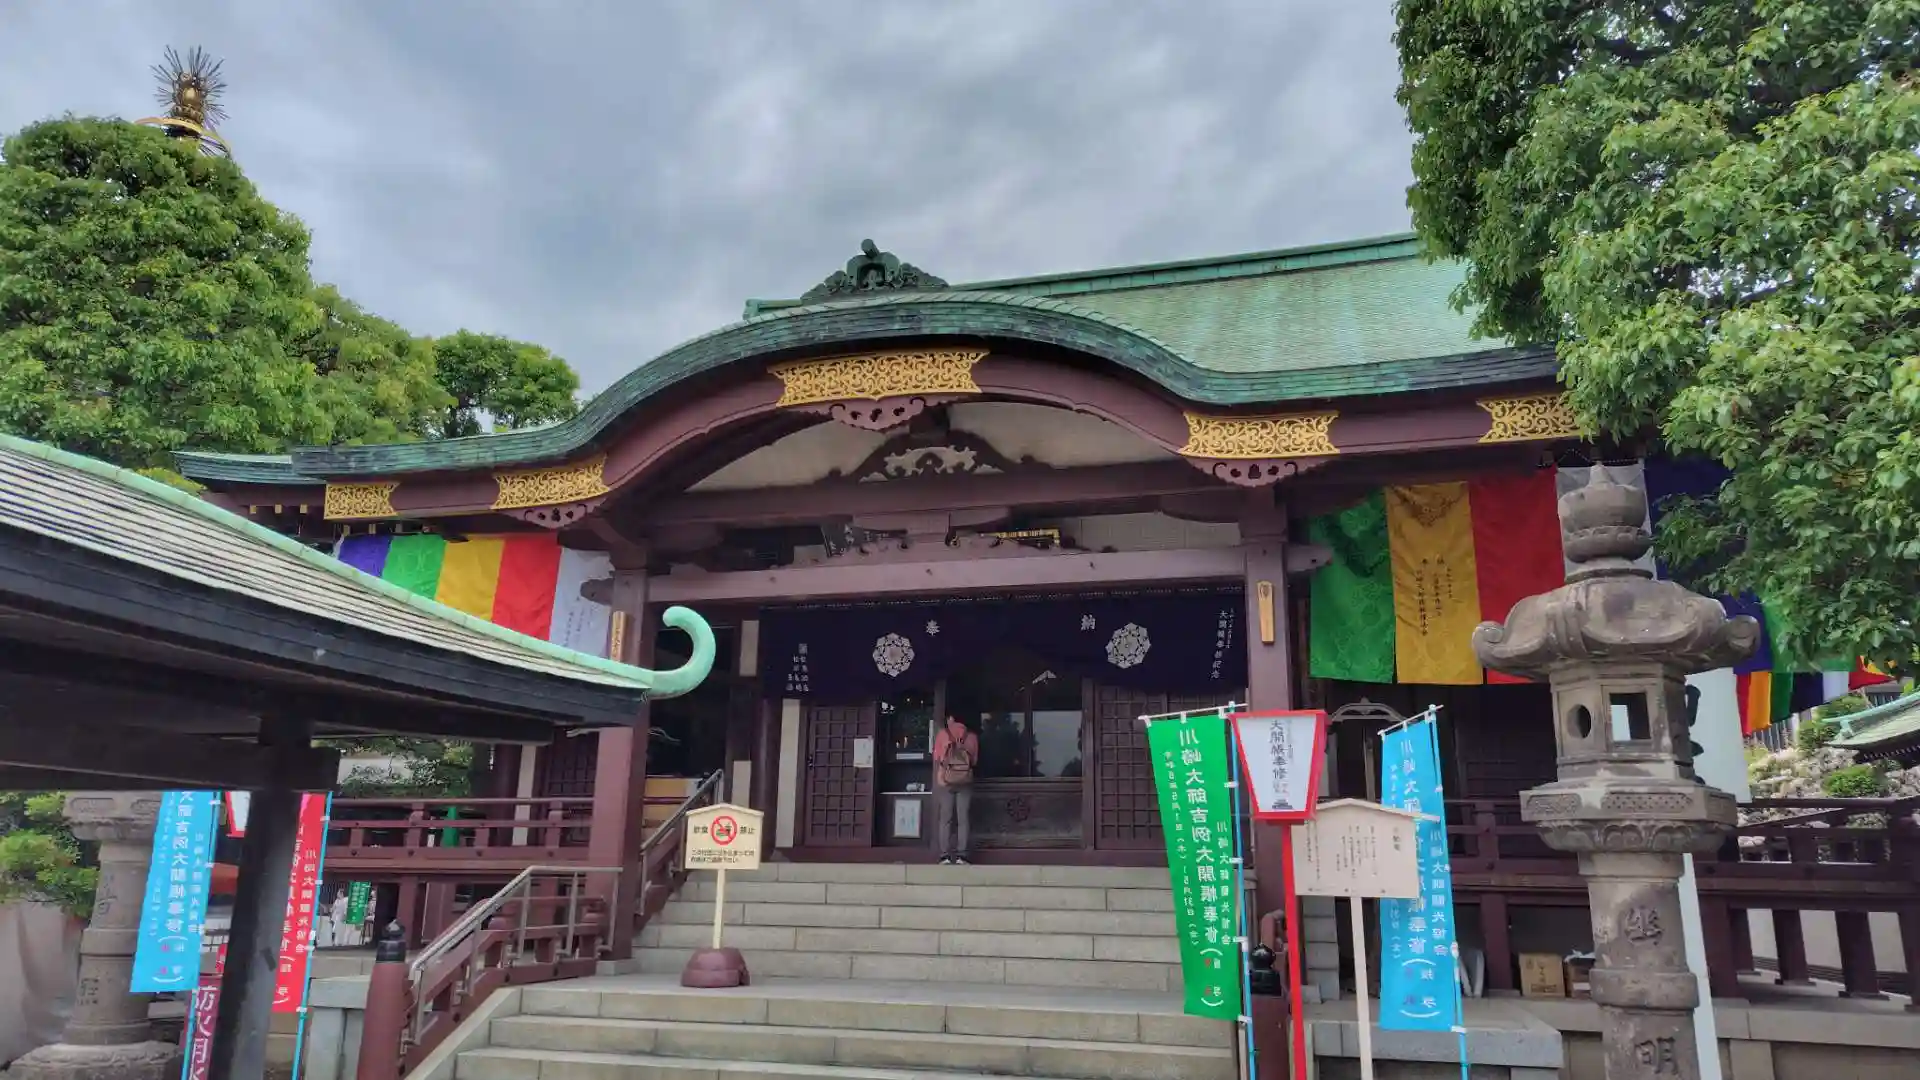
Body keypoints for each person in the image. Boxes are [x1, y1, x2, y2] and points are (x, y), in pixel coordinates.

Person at [931, 714, 978, 865]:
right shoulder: (972, 737)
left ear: (951, 718)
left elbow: (937, 758)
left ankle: (944, 856)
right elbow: (974, 761)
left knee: (945, 819)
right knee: (963, 819)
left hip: (947, 780)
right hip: (965, 780)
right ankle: (962, 856)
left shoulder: (943, 734)